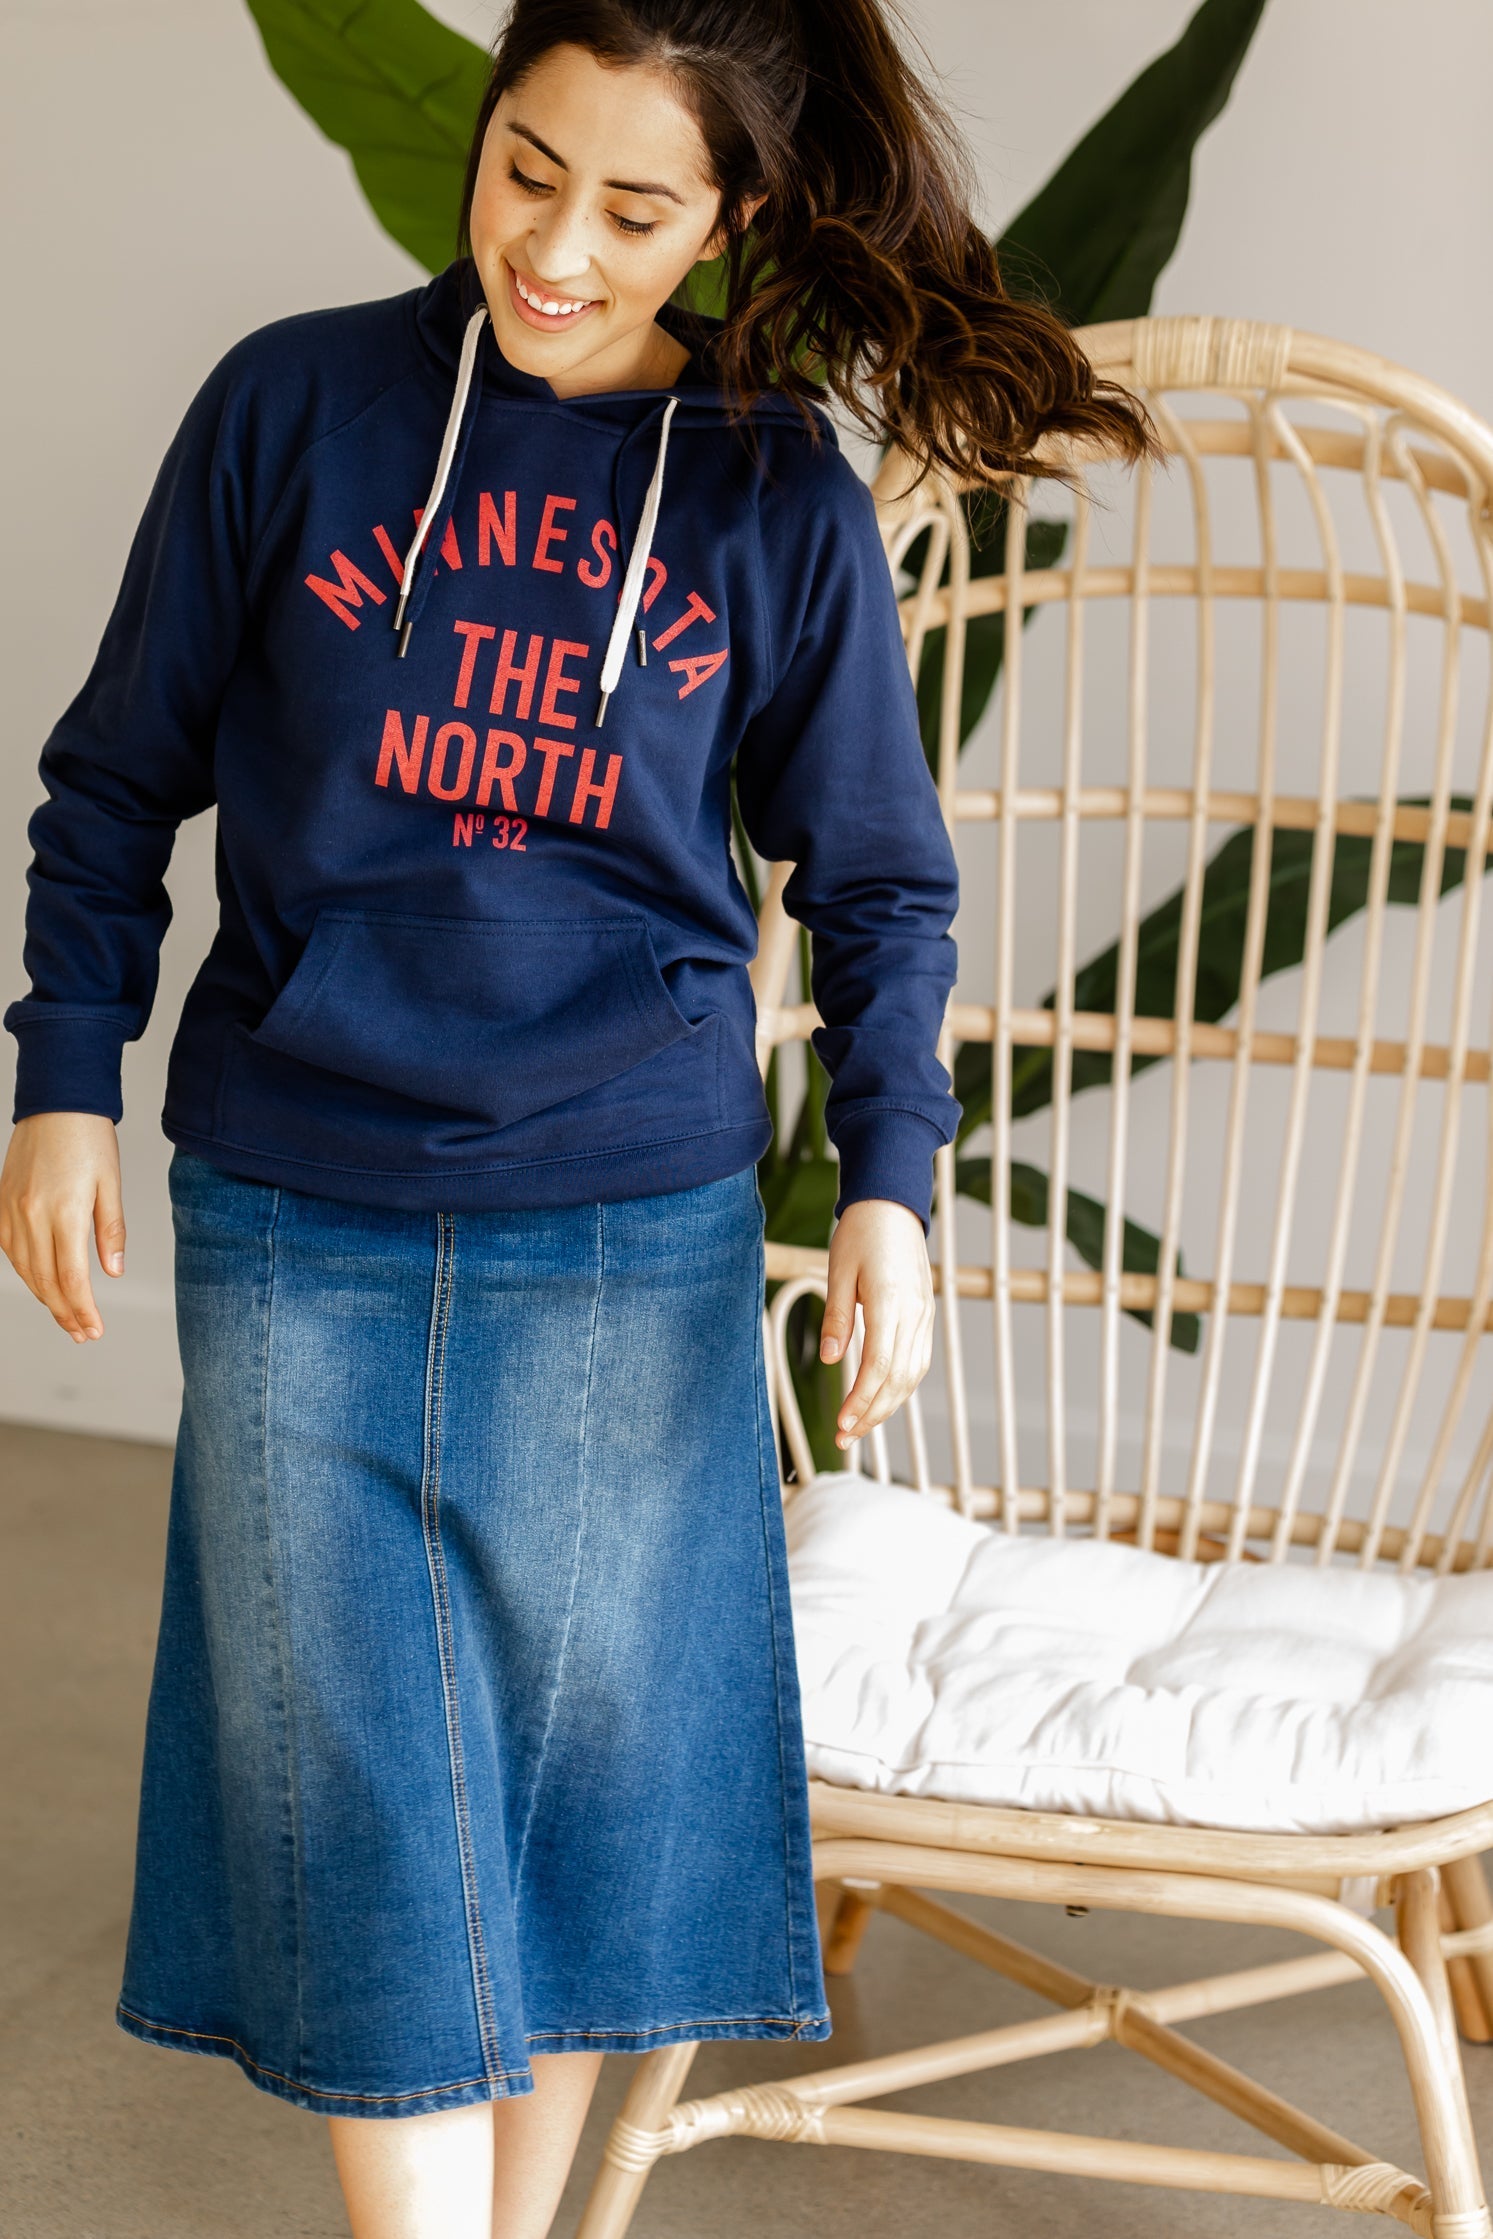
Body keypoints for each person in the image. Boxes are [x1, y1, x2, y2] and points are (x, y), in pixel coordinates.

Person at [0, 1, 1152, 2232]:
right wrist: (64, 1077)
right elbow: (114, 777)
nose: (554, 247)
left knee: (568, 1807)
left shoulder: (769, 492)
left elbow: (879, 879)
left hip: (629, 1218)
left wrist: (892, 1184)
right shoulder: (294, 407)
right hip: (297, 1194)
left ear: (728, 221)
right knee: (362, 1803)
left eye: (633, 210)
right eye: (527, 170)